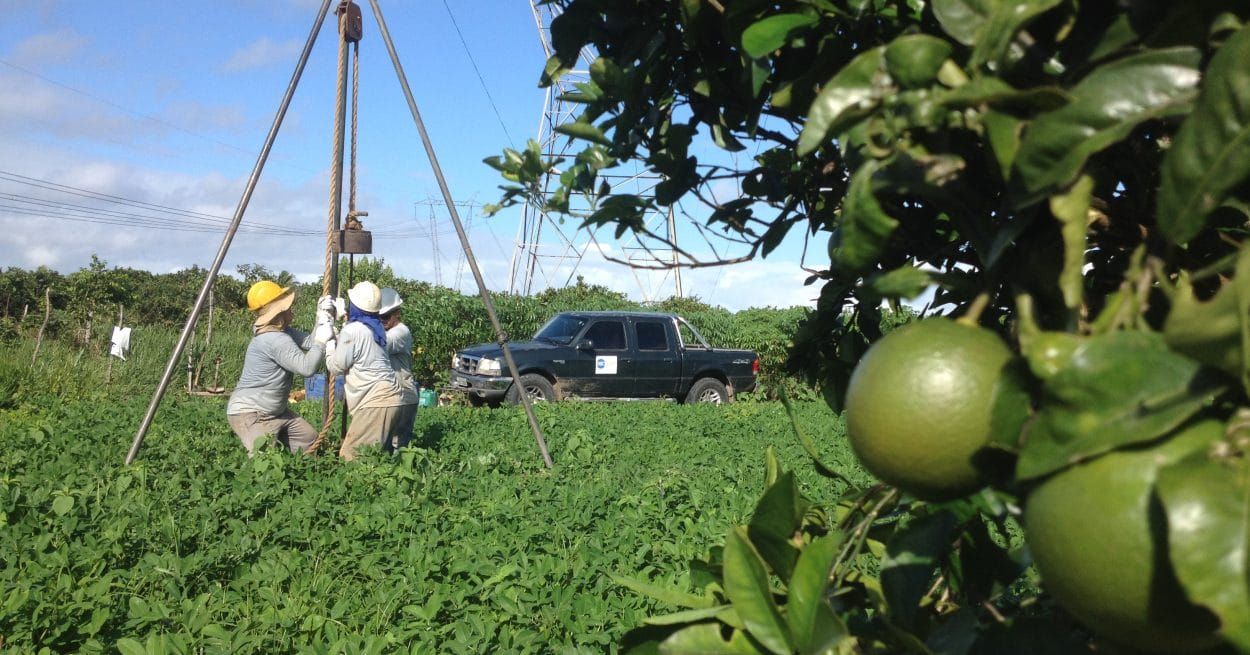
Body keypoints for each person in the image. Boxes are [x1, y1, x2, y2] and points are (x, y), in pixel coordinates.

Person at [226, 280, 335, 455]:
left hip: (276, 412)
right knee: (264, 460)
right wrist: (321, 342)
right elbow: (307, 368)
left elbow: (308, 342)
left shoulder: (283, 332)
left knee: (308, 440)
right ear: (280, 313)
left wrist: (320, 317)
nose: (292, 311)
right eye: (288, 308)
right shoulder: (274, 339)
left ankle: (300, 473)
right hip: (252, 413)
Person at [325, 280, 405, 461]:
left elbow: (336, 366)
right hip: (390, 399)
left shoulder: (354, 330)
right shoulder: (376, 329)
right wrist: (340, 329)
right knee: (375, 458)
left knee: (351, 458)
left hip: (375, 402)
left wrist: (329, 343)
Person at [379, 287, 419, 452]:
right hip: (391, 394)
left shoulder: (400, 332)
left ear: (397, 313)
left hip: (404, 395)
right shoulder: (383, 331)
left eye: (386, 316)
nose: (382, 321)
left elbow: (380, 344)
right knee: (384, 442)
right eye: (378, 317)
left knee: (398, 445)